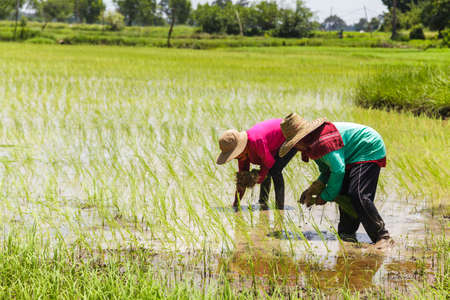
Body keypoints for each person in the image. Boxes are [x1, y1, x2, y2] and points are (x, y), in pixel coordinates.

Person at [278, 113, 392, 247]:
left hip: (366, 147)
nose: (295, 149)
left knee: (358, 194)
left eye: (294, 145)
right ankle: (347, 233)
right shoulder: (311, 145)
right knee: (344, 193)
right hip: (350, 156)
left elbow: (338, 170)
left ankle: (382, 237)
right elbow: (327, 171)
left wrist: (326, 196)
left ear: (300, 140)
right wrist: (315, 188)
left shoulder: (322, 142)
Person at [216, 119, 297, 210]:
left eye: (234, 154)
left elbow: (268, 163)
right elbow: (241, 182)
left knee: (275, 171)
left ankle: (279, 208)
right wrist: (236, 204)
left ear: (240, 147)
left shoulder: (256, 141)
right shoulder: (242, 156)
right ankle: (263, 203)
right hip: (273, 145)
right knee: (266, 172)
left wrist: (258, 177)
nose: (234, 157)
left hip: (289, 137)